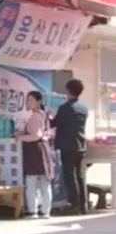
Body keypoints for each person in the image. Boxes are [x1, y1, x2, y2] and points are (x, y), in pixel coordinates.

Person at [50, 79, 89, 214]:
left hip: (68, 146)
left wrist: (47, 115)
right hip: (80, 145)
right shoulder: (84, 108)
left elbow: (53, 123)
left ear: (68, 90)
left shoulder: (65, 108)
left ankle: (74, 204)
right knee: (80, 175)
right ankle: (83, 206)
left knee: (69, 176)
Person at [14, 91, 55, 219]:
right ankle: (45, 211)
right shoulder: (44, 115)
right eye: (27, 100)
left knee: (31, 181)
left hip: (35, 150)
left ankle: (32, 211)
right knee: (44, 182)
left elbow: (35, 135)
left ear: (39, 102)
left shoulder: (35, 116)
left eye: (31, 100)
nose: (28, 102)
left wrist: (20, 137)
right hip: (44, 149)